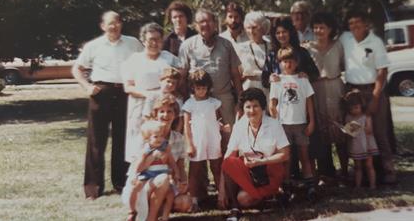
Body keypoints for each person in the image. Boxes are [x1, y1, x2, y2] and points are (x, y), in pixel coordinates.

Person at [72, 11, 143, 199]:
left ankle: (121, 183)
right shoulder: (93, 46)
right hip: (101, 93)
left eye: (118, 22)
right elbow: (77, 68)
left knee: (123, 140)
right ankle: (93, 187)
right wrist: (87, 86)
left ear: (121, 24)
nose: (114, 26)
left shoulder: (133, 43)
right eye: (110, 23)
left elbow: (144, 63)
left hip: (124, 93)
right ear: (103, 26)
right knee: (96, 141)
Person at [339, 10, 397, 184]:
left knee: (378, 131)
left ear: (366, 24)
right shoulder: (345, 39)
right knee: (354, 131)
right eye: (351, 23)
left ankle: (387, 170)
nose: (354, 26)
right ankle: (359, 172)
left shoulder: (376, 42)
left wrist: (376, 97)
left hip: (372, 90)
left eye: (358, 22)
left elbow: (382, 71)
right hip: (352, 91)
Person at [219, 88, 290, 221]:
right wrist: (222, 190)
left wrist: (262, 162)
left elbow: (285, 155)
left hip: (270, 171)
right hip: (250, 172)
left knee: (245, 199)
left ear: (262, 106)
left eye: (255, 106)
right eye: (248, 107)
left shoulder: (274, 124)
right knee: (230, 164)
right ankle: (235, 208)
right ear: (243, 109)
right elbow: (227, 159)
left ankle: (272, 194)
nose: (252, 111)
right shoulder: (239, 126)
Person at [266, 16, 319, 180]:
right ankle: (289, 181)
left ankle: (309, 180)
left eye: (284, 32)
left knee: (305, 151)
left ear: (291, 33)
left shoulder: (301, 52)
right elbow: (264, 78)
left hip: (300, 113)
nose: (281, 35)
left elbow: (314, 73)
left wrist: (306, 74)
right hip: (283, 113)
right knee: (286, 152)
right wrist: (270, 78)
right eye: (278, 32)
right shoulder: (272, 55)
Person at [122, 22, 182, 164]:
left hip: (164, 109)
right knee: (140, 146)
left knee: (163, 145)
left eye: (158, 39)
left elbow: (180, 78)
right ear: (143, 41)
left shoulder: (169, 58)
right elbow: (128, 87)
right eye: (151, 39)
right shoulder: (134, 59)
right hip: (140, 106)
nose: (154, 43)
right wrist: (149, 95)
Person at [122, 95, 190, 221]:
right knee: (163, 179)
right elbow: (136, 167)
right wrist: (152, 157)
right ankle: (147, 215)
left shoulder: (178, 138)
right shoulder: (145, 136)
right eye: (162, 111)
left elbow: (180, 166)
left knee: (184, 202)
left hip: (164, 183)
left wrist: (182, 182)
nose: (166, 115)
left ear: (175, 115)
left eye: (170, 111)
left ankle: (155, 213)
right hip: (141, 182)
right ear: (156, 114)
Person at [178, 8, 242, 131]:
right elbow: (182, 77)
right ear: (196, 25)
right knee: (202, 136)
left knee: (229, 135)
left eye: (209, 21)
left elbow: (235, 74)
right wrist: (186, 101)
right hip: (198, 101)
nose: (205, 25)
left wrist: (240, 100)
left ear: (215, 23)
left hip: (224, 99)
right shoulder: (187, 46)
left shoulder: (226, 45)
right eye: (201, 22)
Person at [269, 47, 317, 201]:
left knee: (305, 155)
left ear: (296, 63)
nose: (287, 64)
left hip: (301, 124)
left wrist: (312, 121)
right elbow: (272, 105)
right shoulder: (277, 81)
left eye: (290, 61)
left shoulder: (302, 79)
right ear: (280, 63)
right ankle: (287, 186)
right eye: (284, 61)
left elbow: (309, 102)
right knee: (286, 158)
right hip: (284, 126)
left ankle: (310, 186)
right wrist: (276, 122)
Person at [303, 12, 346, 180]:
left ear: (330, 29)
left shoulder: (338, 45)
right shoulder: (307, 48)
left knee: (340, 131)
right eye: (316, 27)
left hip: (335, 88)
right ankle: (326, 173)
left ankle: (344, 170)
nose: (319, 30)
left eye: (322, 27)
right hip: (316, 89)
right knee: (321, 133)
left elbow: (343, 66)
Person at [183, 69, 230, 210]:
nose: (201, 91)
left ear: (208, 88)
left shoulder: (214, 102)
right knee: (195, 169)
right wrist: (189, 145)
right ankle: (194, 199)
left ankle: (222, 196)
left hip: (213, 139)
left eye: (204, 88)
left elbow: (217, 119)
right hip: (198, 140)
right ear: (193, 87)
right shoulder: (189, 104)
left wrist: (223, 127)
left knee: (217, 167)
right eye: (198, 88)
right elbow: (186, 126)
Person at [127, 120, 181, 221]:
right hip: (148, 174)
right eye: (156, 137)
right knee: (136, 188)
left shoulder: (166, 147)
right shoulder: (146, 150)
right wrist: (135, 174)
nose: (159, 139)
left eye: (161, 136)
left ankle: (165, 216)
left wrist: (177, 173)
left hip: (162, 174)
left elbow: (172, 162)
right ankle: (132, 210)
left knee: (170, 194)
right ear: (147, 139)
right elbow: (139, 164)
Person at [343, 89, 378, 189]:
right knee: (357, 166)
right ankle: (358, 185)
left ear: (361, 106)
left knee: (369, 165)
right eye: (351, 109)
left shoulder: (366, 116)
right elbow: (348, 133)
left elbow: (370, 130)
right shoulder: (348, 117)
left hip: (367, 144)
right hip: (356, 145)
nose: (354, 110)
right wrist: (349, 131)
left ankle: (373, 185)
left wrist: (360, 127)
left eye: (356, 108)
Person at [236, 11, 271, 97]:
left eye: (254, 27)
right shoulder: (241, 48)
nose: (251, 31)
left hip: (269, 89)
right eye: (248, 28)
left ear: (263, 28)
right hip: (249, 89)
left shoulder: (271, 46)